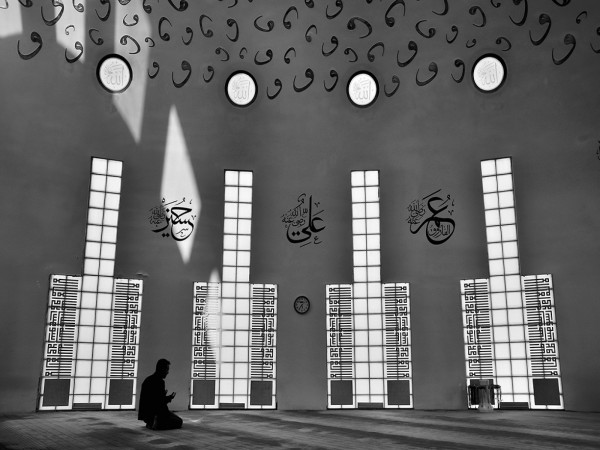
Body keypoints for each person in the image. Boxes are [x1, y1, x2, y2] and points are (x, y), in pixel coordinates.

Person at [138, 358, 183, 430]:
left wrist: (164, 396)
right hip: (155, 413)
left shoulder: (148, 379)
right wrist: (168, 398)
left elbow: (153, 399)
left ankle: (151, 422)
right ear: (162, 369)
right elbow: (159, 402)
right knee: (179, 421)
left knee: (174, 417)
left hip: (146, 415)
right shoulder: (160, 382)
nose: (167, 372)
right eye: (167, 369)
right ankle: (156, 423)